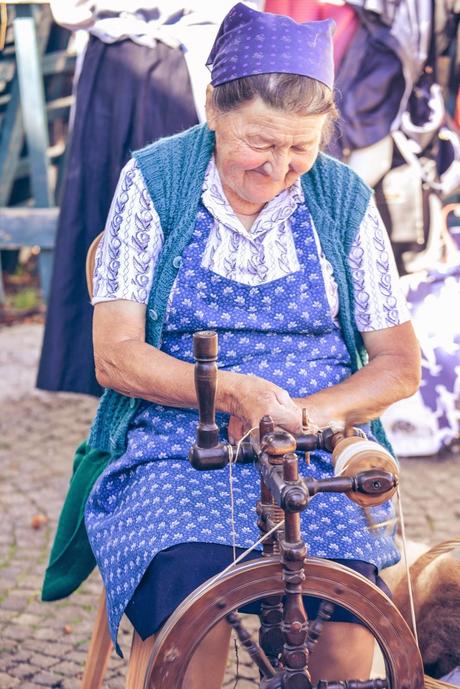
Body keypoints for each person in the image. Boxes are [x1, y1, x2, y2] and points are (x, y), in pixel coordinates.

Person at [42, 4, 421, 686]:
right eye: (260, 143)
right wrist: (235, 390)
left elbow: (398, 364)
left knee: (342, 618)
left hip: (315, 445)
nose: (279, 168)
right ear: (213, 110)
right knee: (194, 604)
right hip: (176, 439)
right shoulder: (155, 180)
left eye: (301, 147)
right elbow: (116, 353)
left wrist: (307, 413)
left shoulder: (342, 197)